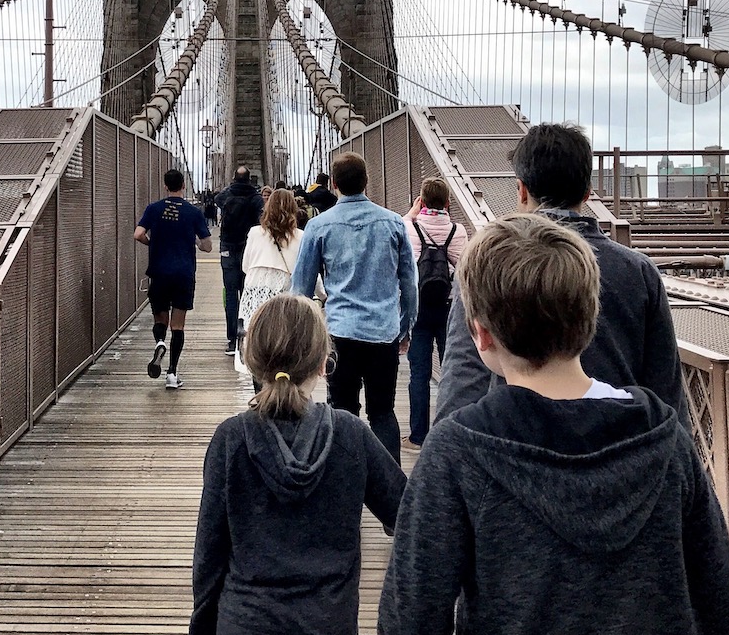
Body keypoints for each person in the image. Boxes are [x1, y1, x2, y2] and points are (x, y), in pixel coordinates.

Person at [378, 213, 729, 635]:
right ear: (590, 316)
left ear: (480, 334)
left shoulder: (458, 452)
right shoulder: (663, 438)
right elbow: (721, 609)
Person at [185, 293, 407, 635]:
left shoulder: (230, 439)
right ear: (325, 364)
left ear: (250, 361)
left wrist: (203, 629)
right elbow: (411, 516)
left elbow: (210, 547)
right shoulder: (350, 435)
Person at [435, 122, 687, 425]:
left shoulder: (487, 263)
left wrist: (448, 449)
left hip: (514, 448)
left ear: (522, 190)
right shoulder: (639, 272)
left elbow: (465, 374)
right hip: (620, 450)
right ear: (587, 193)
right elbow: (666, 391)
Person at [291, 152, 417, 463]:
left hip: (340, 334)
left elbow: (301, 291)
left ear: (333, 185)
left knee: (342, 414)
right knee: (384, 412)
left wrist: (309, 342)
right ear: (366, 182)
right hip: (383, 333)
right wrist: (405, 326)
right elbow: (409, 283)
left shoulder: (319, 226)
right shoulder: (394, 223)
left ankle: (344, 485)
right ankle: (390, 490)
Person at [403, 178, 467, 450]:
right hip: (448, 306)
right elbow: (464, 269)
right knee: (451, 370)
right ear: (448, 202)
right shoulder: (458, 230)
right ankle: (449, 432)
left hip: (419, 308)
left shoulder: (411, 227)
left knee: (419, 372)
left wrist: (411, 213)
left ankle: (418, 437)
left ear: (421, 200)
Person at [134, 168, 212, 389]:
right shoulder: (193, 212)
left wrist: (153, 244)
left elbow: (138, 234)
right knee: (178, 326)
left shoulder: (154, 209)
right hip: (183, 273)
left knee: (160, 320)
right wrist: (194, 242)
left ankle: (160, 342)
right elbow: (207, 246)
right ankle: (171, 374)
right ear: (183, 186)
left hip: (159, 271)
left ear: (165, 186)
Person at [239, 188, 307, 389]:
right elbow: (305, 271)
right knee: (284, 347)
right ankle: (284, 395)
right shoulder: (301, 236)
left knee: (258, 349)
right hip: (283, 295)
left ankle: (261, 396)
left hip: (254, 296)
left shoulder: (254, 233)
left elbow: (245, 266)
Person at [214, 166, 264, 355]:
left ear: (234, 179)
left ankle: (231, 339)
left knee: (231, 295)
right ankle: (247, 336)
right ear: (250, 179)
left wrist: (231, 185)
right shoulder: (256, 197)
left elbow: (217, 199)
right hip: (248, 249)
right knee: (247, 294)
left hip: (227, 248)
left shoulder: (226, 195)